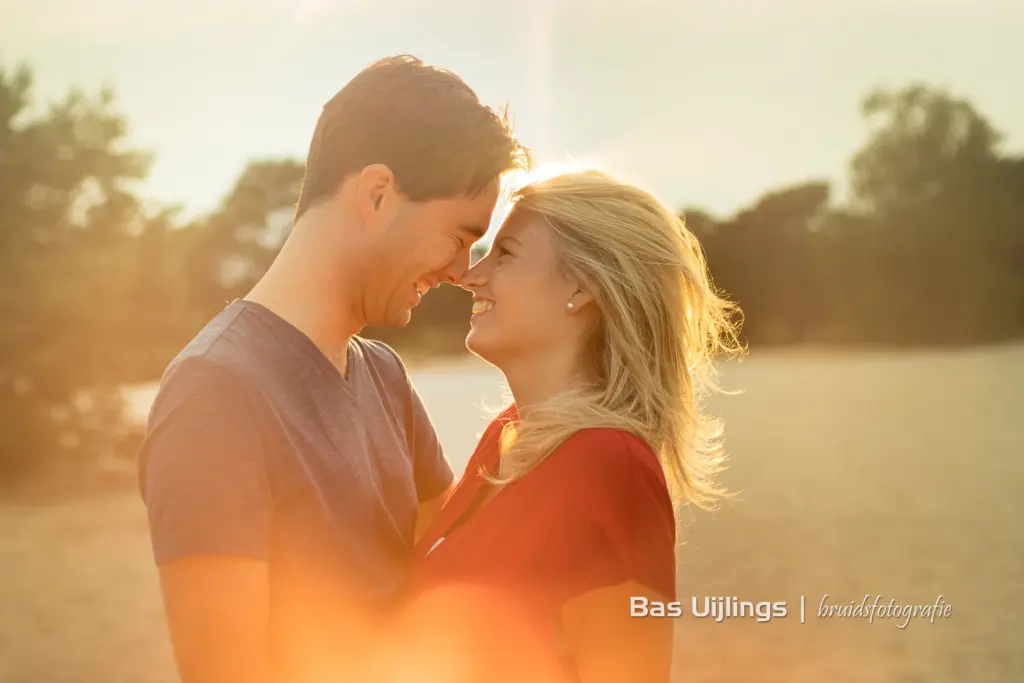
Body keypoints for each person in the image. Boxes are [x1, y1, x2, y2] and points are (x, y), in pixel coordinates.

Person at [136, 55, 529, 683]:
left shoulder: (386, 377)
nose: (461, 270)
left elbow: (451, 579)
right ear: (377, 194)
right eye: (459, 236)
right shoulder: (214, 390)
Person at [397, 169, 743, 683]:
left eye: (506, 253)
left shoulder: (611, 467)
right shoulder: (508, 437)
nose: (471, 275)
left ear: (582, 287)